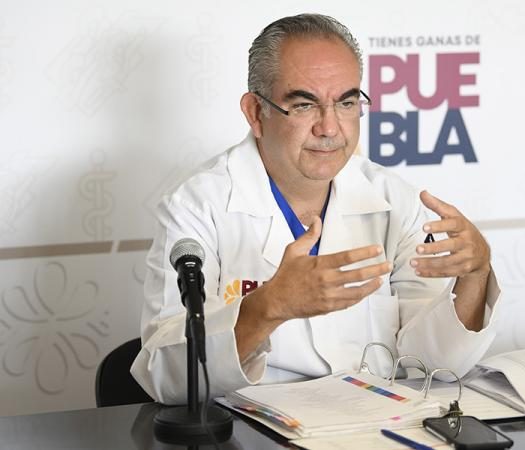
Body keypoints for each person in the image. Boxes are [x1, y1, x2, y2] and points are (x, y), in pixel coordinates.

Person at [131, 13, 500, 405]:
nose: (330, 127)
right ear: (256, 113)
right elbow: (166, 378)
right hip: (250, 427)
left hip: (373, 424)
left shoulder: (396, 200)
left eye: (346, 102)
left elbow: (435, 365)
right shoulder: (196, 207)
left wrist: (474, 276)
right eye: (305, 105)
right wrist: (268, 307)